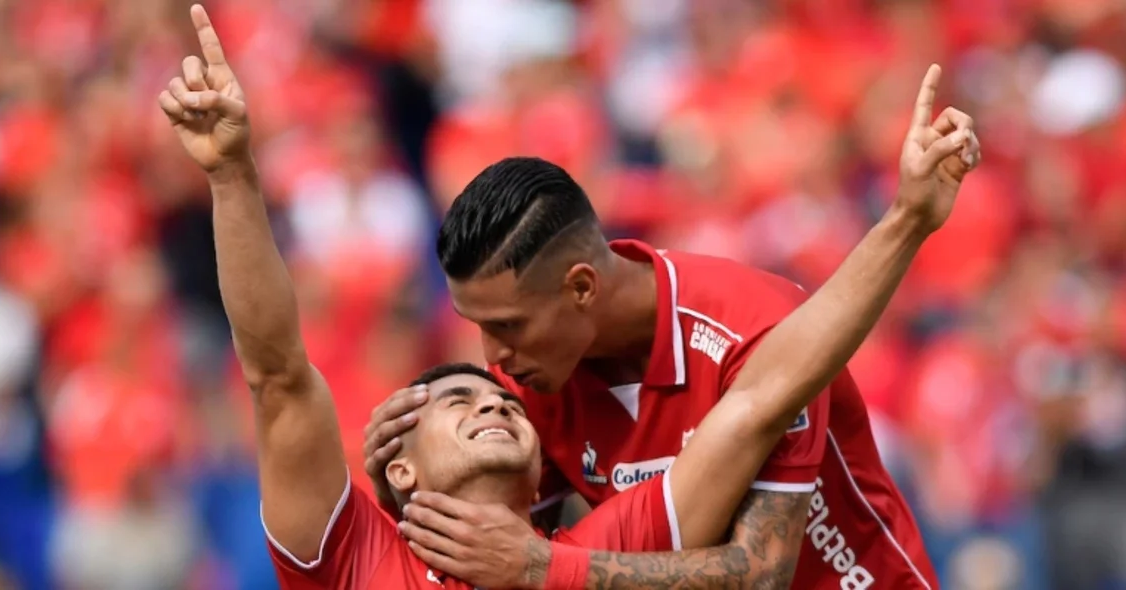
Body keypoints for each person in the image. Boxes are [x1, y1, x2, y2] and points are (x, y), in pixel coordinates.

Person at [159, 5, 977, 588]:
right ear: (398, 465)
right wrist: (230, 172)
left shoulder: (604, 534)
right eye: (458, 392)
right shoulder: (359, 563)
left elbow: (760, 417)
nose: (495, 385)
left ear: (579, 288)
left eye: (506, 338)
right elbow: (274, 371)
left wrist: (906, 219)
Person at [363, 68, 980, 590]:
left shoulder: (754, 331)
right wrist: (407, 488)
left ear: (581, 287)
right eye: (479, 327)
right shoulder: (526, 391)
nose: (493, 356)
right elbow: (496, 550)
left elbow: (760, 571)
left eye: (509, 326)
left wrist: (545, 568)